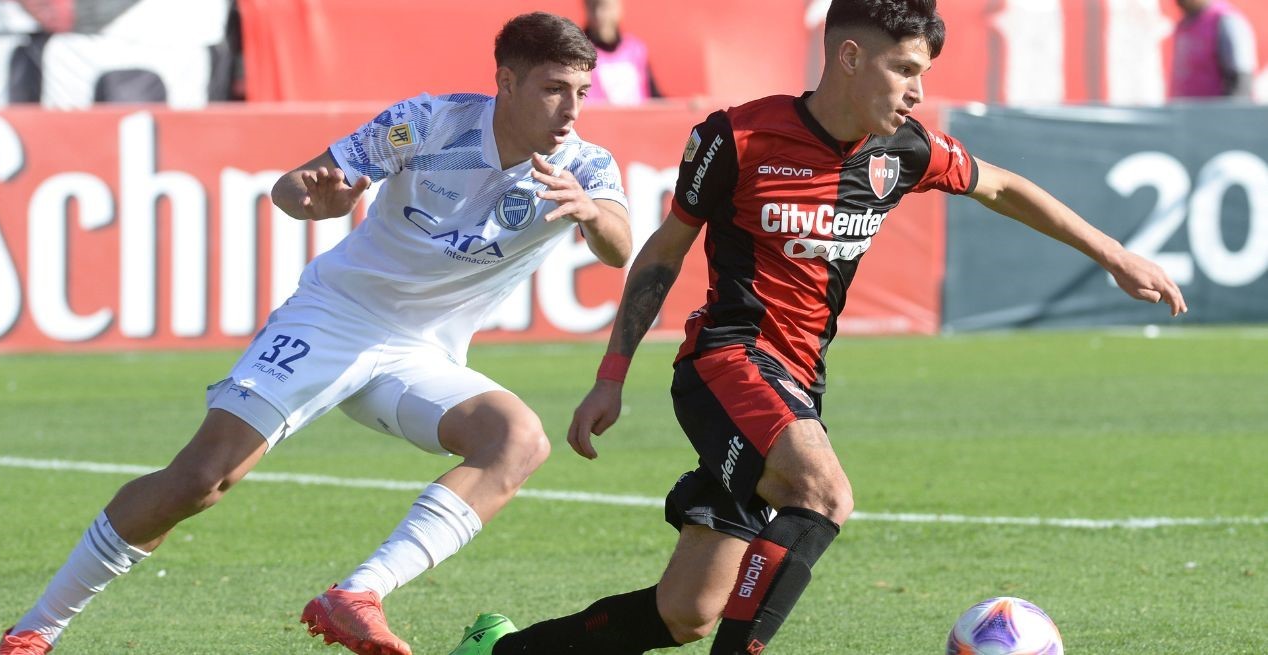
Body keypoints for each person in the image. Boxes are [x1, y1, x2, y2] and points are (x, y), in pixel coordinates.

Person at [447, 1, 1188, 653]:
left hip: (797, 386)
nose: (918, 91)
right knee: (826, 493)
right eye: (904, 69)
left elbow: (1002, 186)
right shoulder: (738, 138)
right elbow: (662, 255)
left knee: (686, 612)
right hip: (725, 363)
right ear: (849, 56)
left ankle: (500, 651)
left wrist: (1112, 253)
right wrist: (610, 377)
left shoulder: (903, 150)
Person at [0, 12, 631, 655]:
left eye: (581, 91)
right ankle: (33, 631)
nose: (572, 108)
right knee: (200, 480)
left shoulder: (585, 165)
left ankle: (355, 595)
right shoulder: (432, 121)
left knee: (517, 440)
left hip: (421, 356)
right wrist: (317, 200)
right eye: (554, 89)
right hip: (336, 317)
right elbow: (294, 185)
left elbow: (620, 245)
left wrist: (590, 214)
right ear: (506, 81)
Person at [1170, 0, 1259, 99]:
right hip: (1185, 111)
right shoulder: (1184, 23)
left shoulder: (1226, 20)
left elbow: (1241, 82)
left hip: (1214, 112)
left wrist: (1231, 113)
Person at [583, 0, 662, 105]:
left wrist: (686, 108)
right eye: (593, 8)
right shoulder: (580, 52)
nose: (600, 15)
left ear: (618, 8)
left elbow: (656, 99)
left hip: (638, 119)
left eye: (606, 8)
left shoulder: (636, 49)